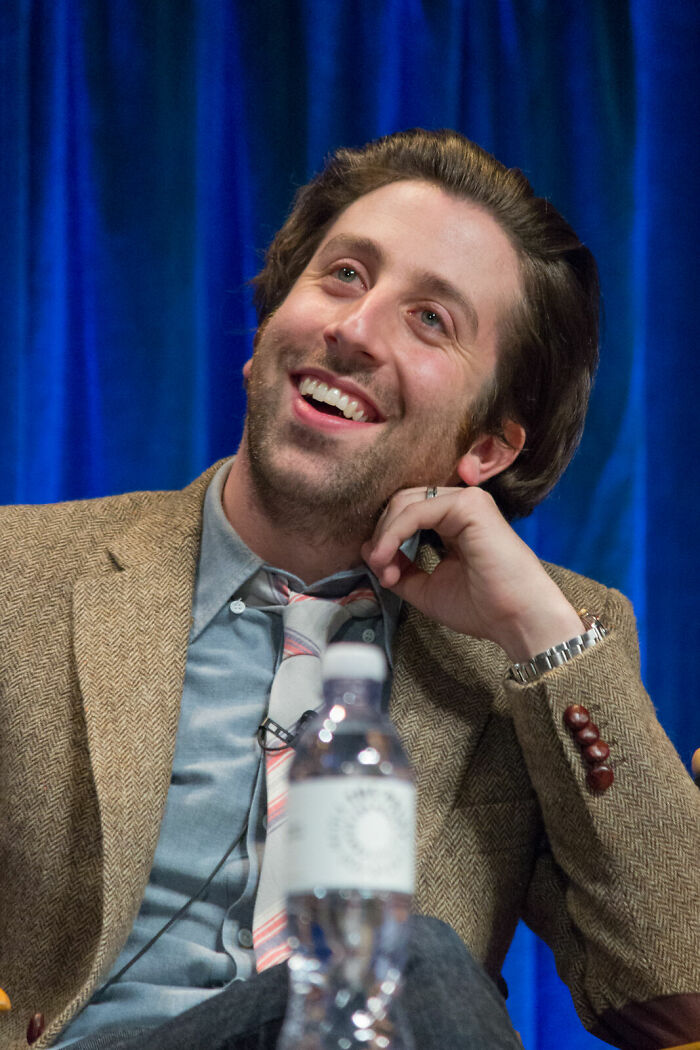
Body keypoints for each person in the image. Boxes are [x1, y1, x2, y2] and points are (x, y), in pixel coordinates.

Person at [1, 129, 698, 1050]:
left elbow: (678, 992)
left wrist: (539, 633)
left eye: (431, 320)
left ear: (486, 448)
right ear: (263, 335)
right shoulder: (22, 576)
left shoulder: (535, 650)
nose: (356, 329)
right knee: (393, 965)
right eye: (342, 275)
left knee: (397, 969)